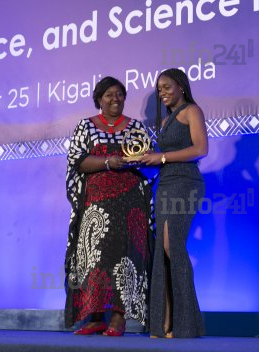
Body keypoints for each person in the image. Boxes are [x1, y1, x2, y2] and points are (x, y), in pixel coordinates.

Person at [64, 76, 154, 337]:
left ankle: (118, 318)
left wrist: (138, 160)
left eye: (120, 94)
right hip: (96, 203)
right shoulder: (86, 126)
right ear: (99, 100)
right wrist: (107, 162)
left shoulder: (136, 127)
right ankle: (94, 318)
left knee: (126, 257)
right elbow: (77, 161)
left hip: (130, 203)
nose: (116, 98)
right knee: (95, 257)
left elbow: (149, 158)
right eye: (109, 95)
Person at [138, 68, 207, 338]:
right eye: (159, 90)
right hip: (165, 184)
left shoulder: (192, 111)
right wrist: (148, 158)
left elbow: (201, 149)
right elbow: (164, 157)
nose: (162, 93)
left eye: (167, 87)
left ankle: (186, 322)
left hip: (186, 183)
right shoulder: (166, 119)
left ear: (181, 86)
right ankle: (164, 322)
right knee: (163, 251)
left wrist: (163, 157)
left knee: (172, 246)